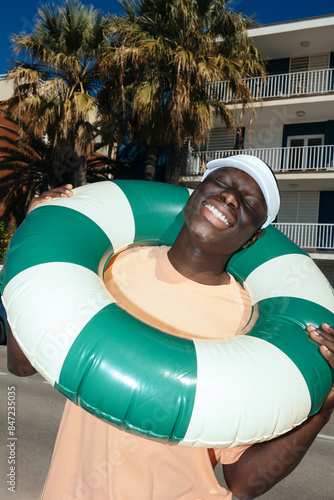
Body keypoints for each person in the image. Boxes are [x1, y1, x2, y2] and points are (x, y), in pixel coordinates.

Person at [7, 155, 334, 500]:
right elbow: (22, 364)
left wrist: (324, 405)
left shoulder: (248, 325)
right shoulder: (112, 267)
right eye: (222, 184)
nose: (231, 198)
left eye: (249, 203)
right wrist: (35, 236)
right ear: (194, 194)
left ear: (253, 238)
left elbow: (241, 481)